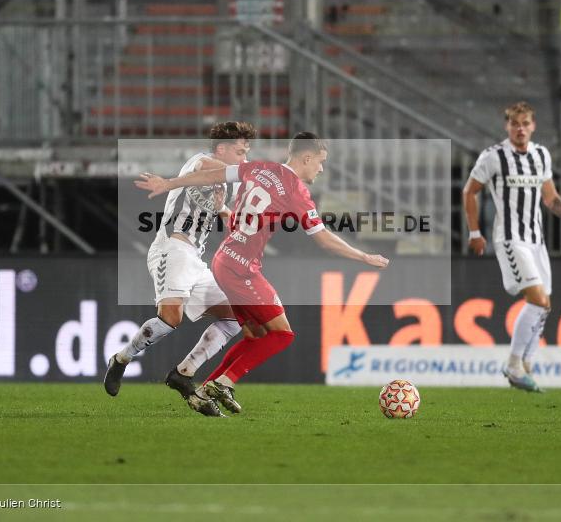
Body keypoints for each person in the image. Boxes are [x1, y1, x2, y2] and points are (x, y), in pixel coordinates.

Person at [136, 132, 389, 413]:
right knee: (282, 335)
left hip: (224, 259)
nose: (321, 168)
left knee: (256, 335)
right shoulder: (296, 191)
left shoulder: (261, 167)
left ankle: (208, 384)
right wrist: (363, 256)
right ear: (307, 157)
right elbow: (324, 239)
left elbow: (213, 176)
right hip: (241, 269)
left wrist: (169, 183)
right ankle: (221, 383)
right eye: (320, 161)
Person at [104, 121, 257, 417]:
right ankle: (121, 359)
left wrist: (237, 219)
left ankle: (183, 374)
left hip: (195, 260)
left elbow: (222, 210)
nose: (244, 158)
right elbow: (206, 172)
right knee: (170, 319)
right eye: (240, 151)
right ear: (222, 149)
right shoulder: (200, 162)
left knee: (235, 318)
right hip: (171, 249)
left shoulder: (220, 183)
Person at [462, 102, 561, 392]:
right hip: (511, 239)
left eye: (525, 124)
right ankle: (514, 365)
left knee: (544, 304)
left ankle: (526, 363)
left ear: (533, 126)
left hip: (536, 241)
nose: (520, 129)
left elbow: (551, 199)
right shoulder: (494, 156)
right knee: (538, 299)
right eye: (514, 124)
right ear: (507, 126)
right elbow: (469, 192)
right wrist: (475, 232)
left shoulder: (540, 155)